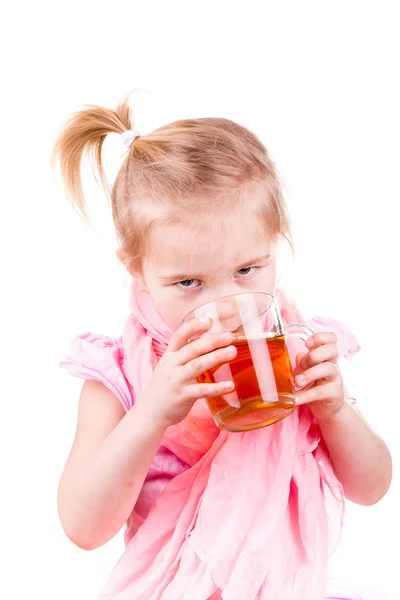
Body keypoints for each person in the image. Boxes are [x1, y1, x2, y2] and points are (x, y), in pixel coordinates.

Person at [52, 92, 392, 600]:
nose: (229, 303)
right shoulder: (121, 375)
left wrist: (335, 411)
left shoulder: (295, 350)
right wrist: (150, 415)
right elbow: (82, 526)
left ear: (274, 246)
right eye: (189, 283)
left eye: (247, 271)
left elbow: (373, 487)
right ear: (136, 269)